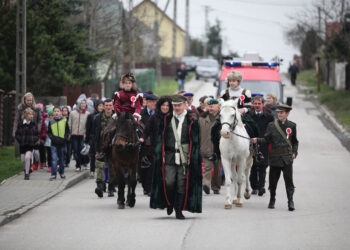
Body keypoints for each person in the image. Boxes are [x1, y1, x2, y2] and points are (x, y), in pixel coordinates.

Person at [150, 94, 202, 220]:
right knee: (169, 182)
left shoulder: (192, 119)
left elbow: (196, 141)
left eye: (179, 105)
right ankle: (170, 203)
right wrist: (158, 153)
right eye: (174, 105)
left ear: (185, 105)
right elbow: (159, 138)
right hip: (168, 155)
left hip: (185, 156)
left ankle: (178, 210)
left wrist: (193, 156)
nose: (177, 107)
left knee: (181, 183)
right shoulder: (166, 119)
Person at [251, 104, 299, 211]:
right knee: (273, 181)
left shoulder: (292, 126)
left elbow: (295, 142)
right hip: (274, 158)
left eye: (282, 113)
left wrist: (295, 152)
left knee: (289, 181)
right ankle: (272, 199)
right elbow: (266, 139)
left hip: (287, 158)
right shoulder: (272, 125)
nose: (279, 114)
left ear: (287, 114)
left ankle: (290, 201)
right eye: (278, 112)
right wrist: (257, 140)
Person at [209, 70, 259, 161]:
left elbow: (248, 106)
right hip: (228, 116)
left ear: (238, 81)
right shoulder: (224, 92)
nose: (231, 83)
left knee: (253, 127)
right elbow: (222, 104)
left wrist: (242, 110)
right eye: (230, 81)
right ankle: (216, 152)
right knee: (214, 128)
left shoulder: (246, 92)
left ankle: (256, 151)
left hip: (241, 115)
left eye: (234, 81)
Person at [247, 96, 274, 196]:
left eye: (259, 103)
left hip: (264, 144)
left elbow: (271, 131)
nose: (257, 105)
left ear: (263, 104)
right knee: (253, 166)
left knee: (263, 166)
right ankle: (254, 186)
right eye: (255, 103)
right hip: (251, 144)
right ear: (252, 104)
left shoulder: (269, 116)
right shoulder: (248, 116)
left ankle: (261, 186)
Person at [13, 92, 42, 171]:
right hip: (24, 133)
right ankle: (29, 166)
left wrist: (38, 129)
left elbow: (40, 120)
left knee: (35, 152)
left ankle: (36, 161)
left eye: (31, 100)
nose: (29, 102)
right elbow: (16, 120)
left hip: (34, 132)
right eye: (28, 100)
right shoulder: (20, 108)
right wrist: (15, 132)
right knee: (27, 152)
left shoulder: (37, 108)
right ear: (24, 100)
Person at [93, 99, 115, 198]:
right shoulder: (97, 117)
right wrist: (95, 145)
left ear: (113, 106)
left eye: (110, 105)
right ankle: (100, 187)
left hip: (113, 147)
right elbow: (93, 132)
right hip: (101, 145)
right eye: (106, 105)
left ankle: (111, 188)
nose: (108, 107)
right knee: (99, 165)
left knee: (112, 167)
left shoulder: (116, 117)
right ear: (103, 106)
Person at [199, 98, 222, 195]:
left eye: (212, 106)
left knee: (217, 168)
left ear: (218, 107)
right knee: (207, 167)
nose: (210, 108)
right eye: (209, 106)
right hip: (205, 146)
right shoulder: (202, 118)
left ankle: (216, 187)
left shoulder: (222, 118)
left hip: (218, 148)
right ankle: (206, 185)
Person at [138, 94, 158, 196]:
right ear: (147, 103)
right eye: (152, 102)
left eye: (156, 102)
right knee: (144, 167)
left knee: (153, 167)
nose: (154, 104)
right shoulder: (141, 114)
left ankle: (150, 188)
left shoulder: (159, 114)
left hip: (155, 143)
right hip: (144, 144)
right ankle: (146, 187)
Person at [15, 108, 40, 180]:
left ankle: (27, 174)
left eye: (32, 114)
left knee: (27, 158)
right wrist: (20, 140)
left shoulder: (33, 124)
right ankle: (27, 168)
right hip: (22, 145)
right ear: (25, 115)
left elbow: (37, 134)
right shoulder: (21, 124)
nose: (31, 116)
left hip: (30, 145)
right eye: (29, 114)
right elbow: (17, 134)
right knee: (23, 160)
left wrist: (33, 140)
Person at [48, 107, 70, 180]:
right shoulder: (51, 121)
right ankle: (53, 174)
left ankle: (61, 172)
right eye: (55, 111)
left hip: (62, 143)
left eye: (58, 111)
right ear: (53, 113)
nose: (56, 113)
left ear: (61, 113)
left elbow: (67, 131)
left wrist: (65, 138)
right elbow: (49, 132)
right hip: (54, 144)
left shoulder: (64, 120)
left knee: (62, 159)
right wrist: (53, 138)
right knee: (54, 159)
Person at [69, 98, 90, 172]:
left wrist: (86, 134)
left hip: (82, 135)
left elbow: (88, 126)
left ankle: (84, 162)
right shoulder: (72, 113)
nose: (83, 105)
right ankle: (78, 165)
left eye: (84, 103)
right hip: (74, 135)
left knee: (82, 150)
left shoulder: (87, 114)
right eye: (81, 103)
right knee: (76, 151)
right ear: (78, 104)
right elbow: (69, 124)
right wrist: (69, 134)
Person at [85, 100, 104, 178]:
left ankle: (102, 170)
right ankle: (92, 170)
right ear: (96, 107)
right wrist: (86, 139)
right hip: (93, 138)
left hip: (103, 138)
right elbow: (88, 128)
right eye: (99, 106)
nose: (101, 107)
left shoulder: (105, 115)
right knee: (93, 155)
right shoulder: (91, 116)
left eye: (102, 106)